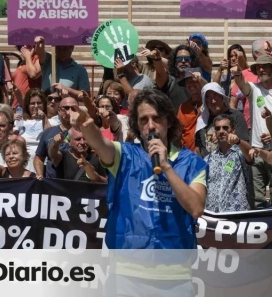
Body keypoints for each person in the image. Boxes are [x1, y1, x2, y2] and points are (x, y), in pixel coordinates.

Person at [73, 88, 207, 250]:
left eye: (156, 118)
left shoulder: (192, 163)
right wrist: (87, 126)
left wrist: (166, 167)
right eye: (143, 120)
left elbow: (197, 209)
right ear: (136, 124)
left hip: (173, 266)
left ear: (169, 121)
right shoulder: (123, 154)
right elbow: (100, 143)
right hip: (126, 265)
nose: (150, 126)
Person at [233, 55, 272, 208]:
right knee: (257, 197)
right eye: (258, 67)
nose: (261, 69)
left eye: (265, 66)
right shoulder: (254, 89)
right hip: (257, 150)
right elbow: (241, 84)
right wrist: (237, 73)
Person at [204, 115, 254, 212]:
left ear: (233, 131)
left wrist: (238, 141)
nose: (221, 131)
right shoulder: (208, 159)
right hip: (213, 215)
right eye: (218, 128)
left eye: (225, 128)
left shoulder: (240, 153)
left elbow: (250, 152)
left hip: (236, 214)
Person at [194, 83, 249, 158]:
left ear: (222, 96)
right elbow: (198, 149)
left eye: (215, 95)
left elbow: (245, 146)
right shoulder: (202, 121)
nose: (213, 101)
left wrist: (223, 138)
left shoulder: (236, 116)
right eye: (208, 98)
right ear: (205, 101)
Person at [34, 97, 77, 178]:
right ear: (59, 111)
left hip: (76, 183)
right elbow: (39, 158)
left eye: (74, 108)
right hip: (53, 184)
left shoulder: (84, 132)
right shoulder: (48, 132)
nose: (70, 111)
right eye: (66, 108)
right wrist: (39, 174)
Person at [11, 36, 45, 107]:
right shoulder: (22, 62)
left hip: (28, 106)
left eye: (28, 43)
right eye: (22, 44)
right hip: (16, 106)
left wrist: (28, 56)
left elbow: (33, 74)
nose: (25, 45)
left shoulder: (37, 58)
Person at [178, 68, 205, 152]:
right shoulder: (183, 107)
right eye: (188, 82)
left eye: (195, 80)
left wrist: (200, 79)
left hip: (205, 154)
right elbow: (177, 131)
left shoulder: (210, 103)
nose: (191, 84)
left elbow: (210, 89)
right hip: (186, 154)